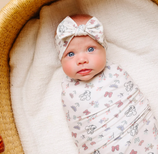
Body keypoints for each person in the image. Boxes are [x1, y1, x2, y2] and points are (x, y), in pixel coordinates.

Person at [55, 14, 158, 154]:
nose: (82, 59)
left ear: (104, 48)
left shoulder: (116, 73)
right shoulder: (68, 91)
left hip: (141, 138)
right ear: (60, 59)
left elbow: (137, 103)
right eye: (71, 54)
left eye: (90, 49)